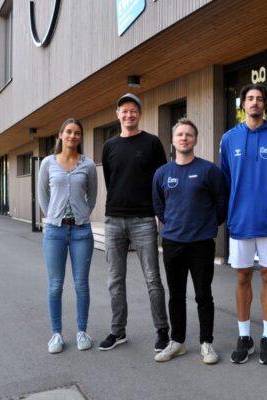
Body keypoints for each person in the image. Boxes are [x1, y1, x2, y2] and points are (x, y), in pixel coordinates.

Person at [219, 83, 267, 365]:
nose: (254, 103)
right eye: (249, 98)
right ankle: (245, 337)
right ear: (242, 105)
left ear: (265, 105)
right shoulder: (228, 139)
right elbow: (225, 180)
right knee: (242, 277)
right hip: (240, 220)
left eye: (259, 99)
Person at [152, 118, 228, 364]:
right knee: (175, 295)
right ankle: (178, 342)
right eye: (180, 135)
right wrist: (173, 225)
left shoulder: (209, 170)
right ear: (173, 141)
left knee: (203, 295)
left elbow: (221, 203)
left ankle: (207, 343)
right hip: (173, 243)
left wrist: (206, 225)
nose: (184, 138)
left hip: (202, 244)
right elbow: (159, 206)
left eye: (189, 135)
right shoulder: (162, 173)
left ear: (195, 139)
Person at [99, 93, 170, 353]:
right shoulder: (109, 146)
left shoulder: (152, 143)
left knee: (152, 277)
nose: (129, 115)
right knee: (115, 279)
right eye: (124, 111)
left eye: (133, 111)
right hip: (114, 220)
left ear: (139, 114)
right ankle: (118, 331)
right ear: (117, 114)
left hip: (143, 220)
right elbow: (111, 180)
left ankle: (162, 330)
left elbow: (162, 179)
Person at [38, 117, 98, 354]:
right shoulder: (48, 163)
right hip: (55, 231)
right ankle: (56, 334)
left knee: (81, 285)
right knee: (55, 285)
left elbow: (92, 197)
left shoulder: (89, 165)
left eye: (77, 133)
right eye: (69, 132)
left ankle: (82, 331)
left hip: (81, 231)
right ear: (60, 135)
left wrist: (82, 215)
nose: (73, 136)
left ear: (80, 138)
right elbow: (43, 195)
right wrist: (53, 216)